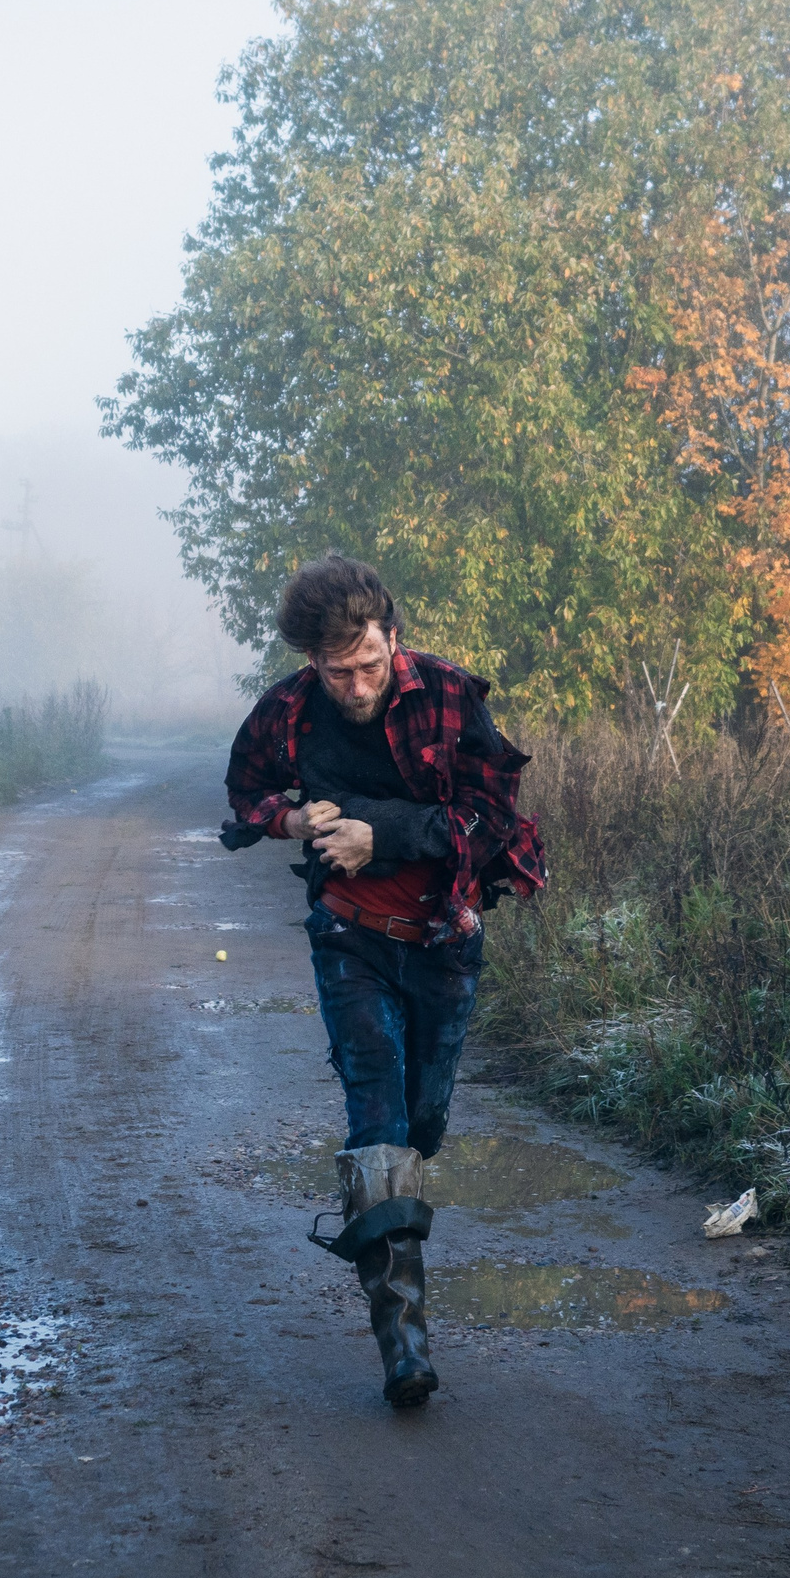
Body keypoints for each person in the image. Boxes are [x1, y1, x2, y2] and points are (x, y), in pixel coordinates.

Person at [222, 554, 544, 1406]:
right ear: (312, 662)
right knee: (377, 1118)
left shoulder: (448, 696)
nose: (358, 685)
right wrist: (290, 818)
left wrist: (381, 834)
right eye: (340, 672)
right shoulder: (288, 710)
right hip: (348, 937)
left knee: (420, 1126)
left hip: (443, 941)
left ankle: (388, 1197)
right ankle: (404, 1344)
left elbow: (491, 819)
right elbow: (246, 791)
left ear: (392, 637)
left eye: (369, 663)